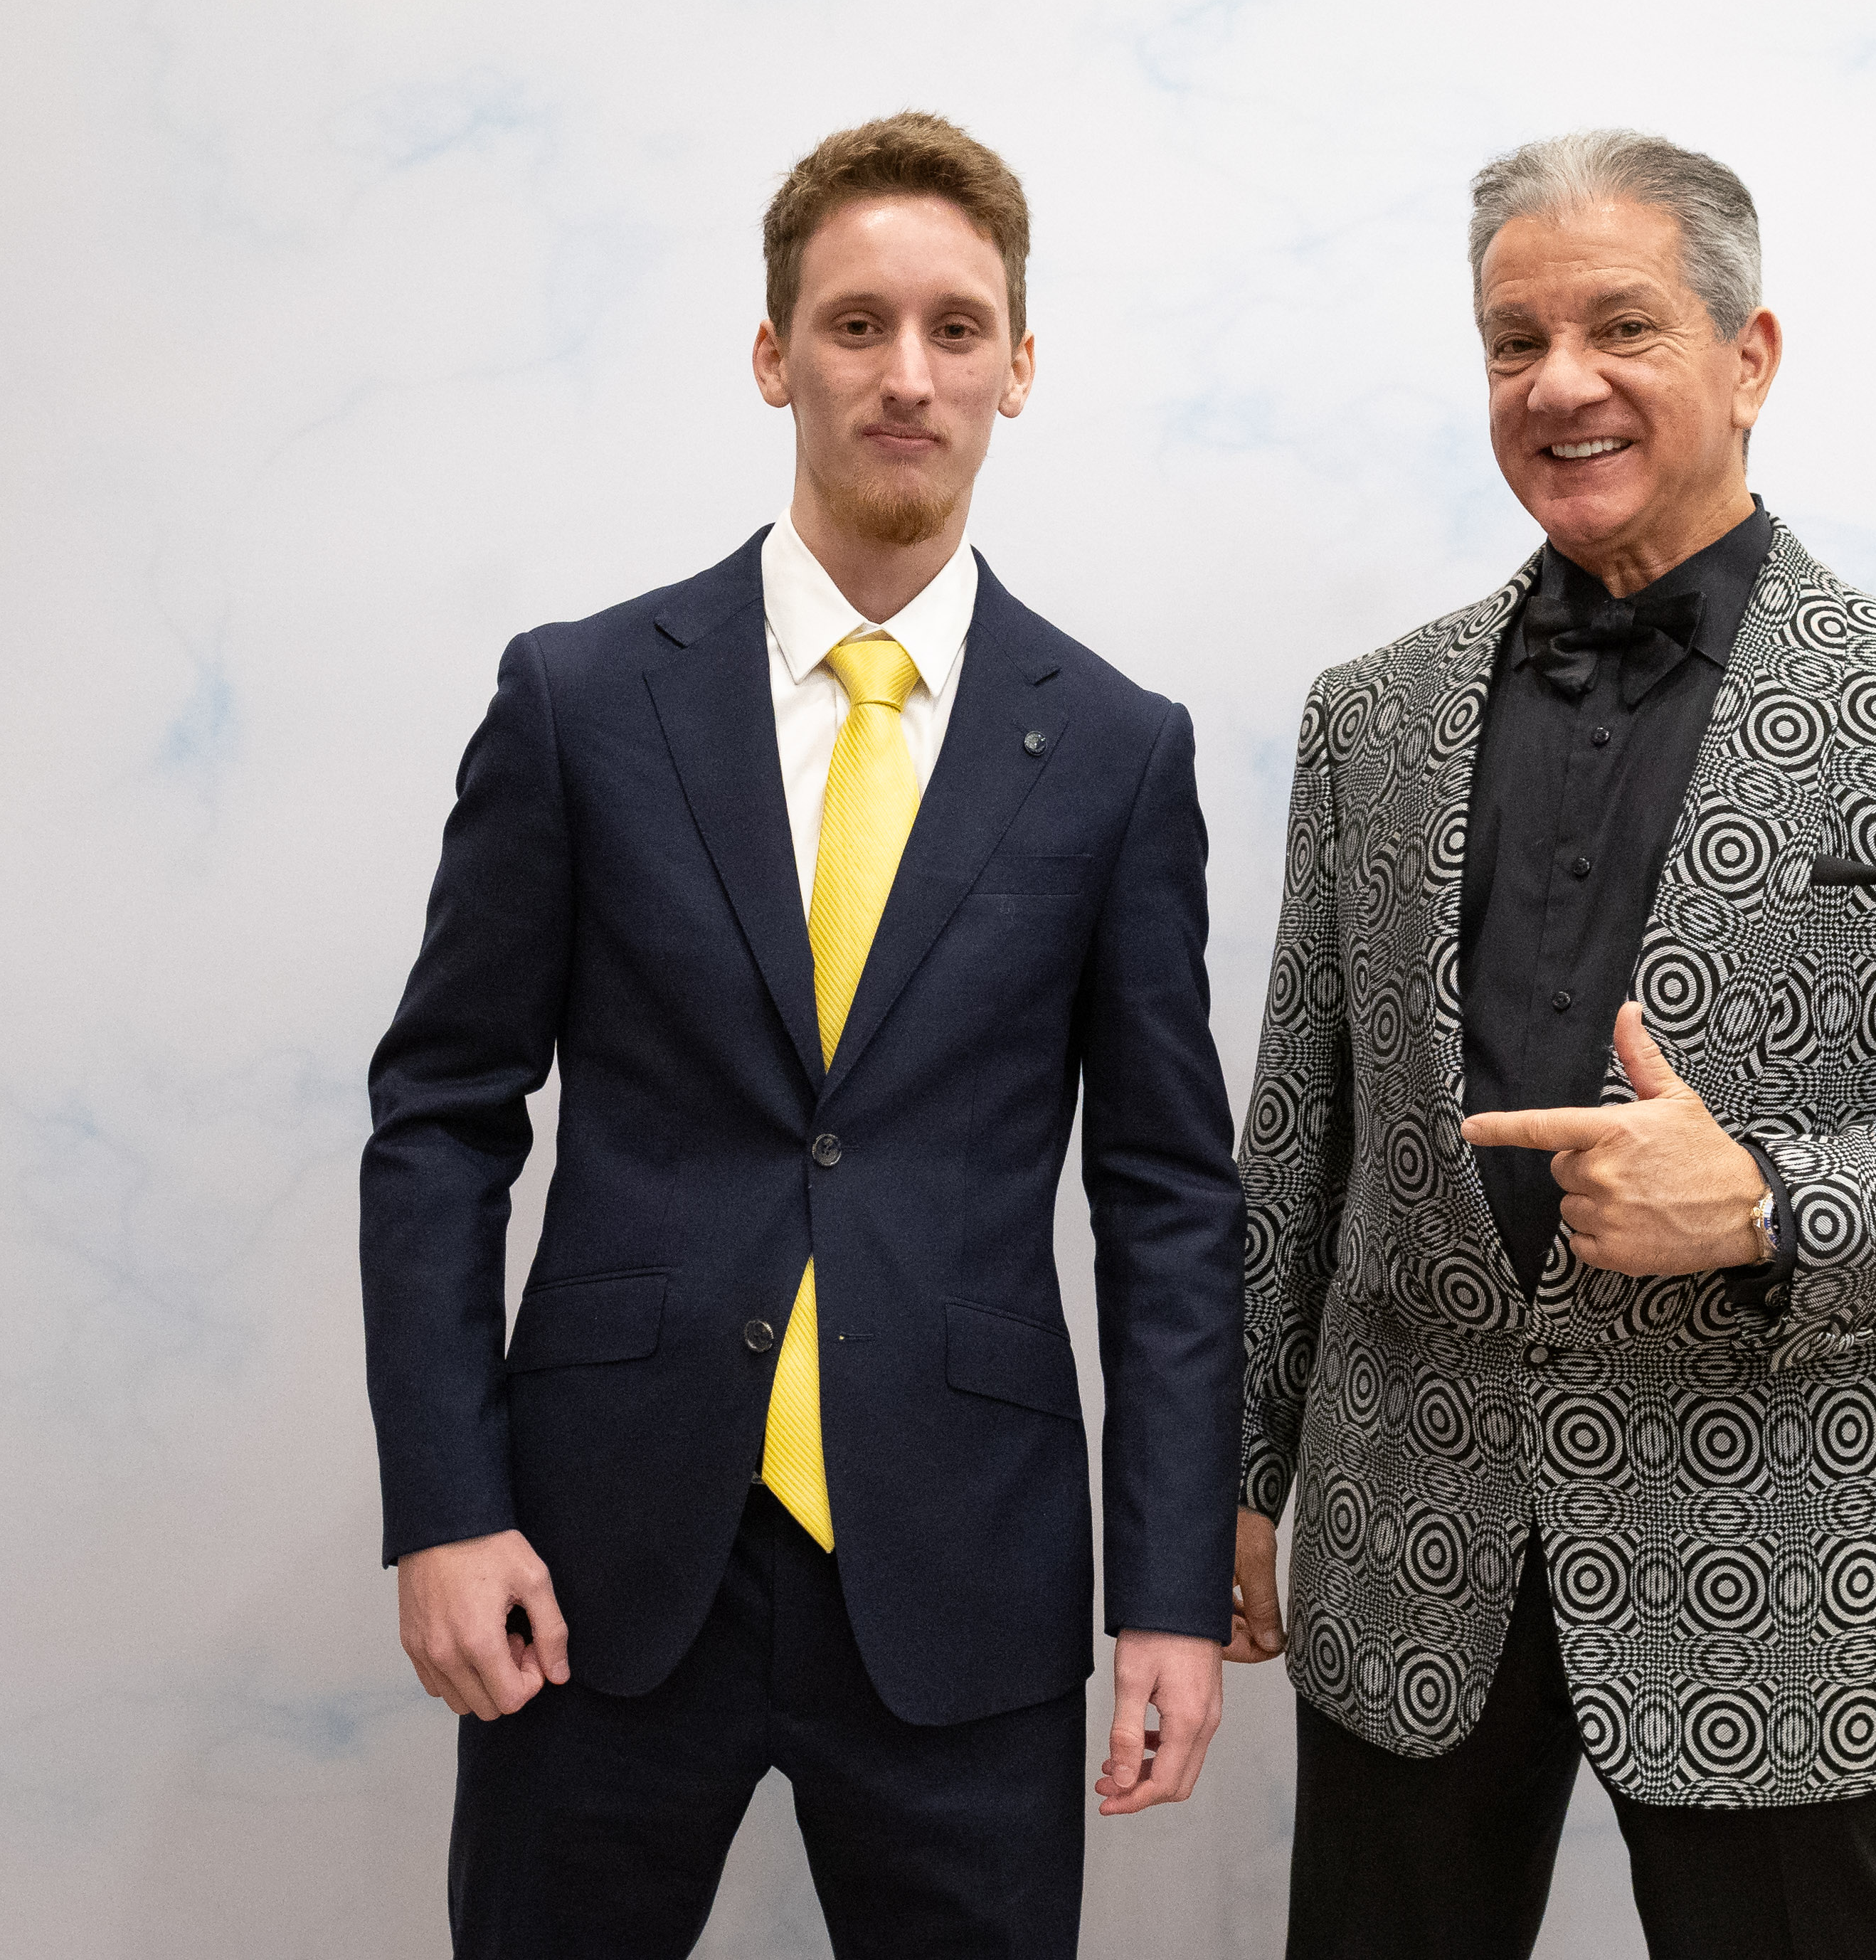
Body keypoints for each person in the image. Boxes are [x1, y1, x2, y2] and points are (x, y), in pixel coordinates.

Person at [1227, 129, 1876, 1959]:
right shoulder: (1368, 719)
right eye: (1512, 342)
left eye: (1619, 326)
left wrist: (1767, 1202)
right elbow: (1295, 1137)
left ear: (1748, 355)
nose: (1557, 383)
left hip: (1778, 1572)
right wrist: (1234, 1474)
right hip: (1405, 1545)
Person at [361, 111, 1243, 1959]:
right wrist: (443, 1505)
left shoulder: (1113, 751)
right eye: (856, 324)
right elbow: (442, 1116)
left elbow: (1168, 1199)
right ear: (774, 356)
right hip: (591, 1565)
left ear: (1017, 365)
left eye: (952, 327)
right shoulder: (580, 700)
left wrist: (1165, 1590)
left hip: (966, 1573)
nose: (905, 374)